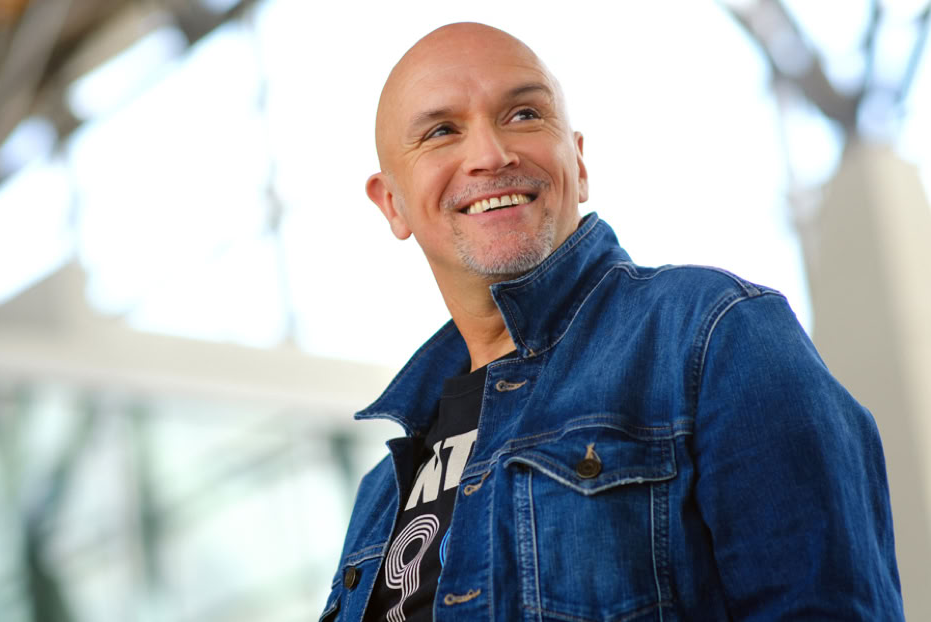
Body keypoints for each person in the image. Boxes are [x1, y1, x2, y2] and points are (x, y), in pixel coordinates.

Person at [320, 22, 903, 622]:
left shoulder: (715, 336)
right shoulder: (380, 495)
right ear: (391, 202)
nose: (491, 155)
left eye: (524, 115)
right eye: (442, 131)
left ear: (578, 162)